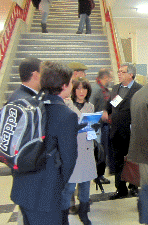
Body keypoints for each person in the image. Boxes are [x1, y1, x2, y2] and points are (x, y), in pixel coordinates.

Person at [11, 61, 78, 224]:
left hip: (22, 188)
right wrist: (57, 186)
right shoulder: (65, 115)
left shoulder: (31, 103)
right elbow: (69, 160)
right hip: (46, 193)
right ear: (64, 86)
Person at [62, 77, 97, 225]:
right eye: (78, 88)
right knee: (69, 186)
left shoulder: (91, 106)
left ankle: (84, 212)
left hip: (87, 149)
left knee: (85, 185)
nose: (81, 91)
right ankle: (63, 215)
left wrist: (94, 129)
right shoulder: (66, 104)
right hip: (71, 149)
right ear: (73, 90)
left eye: (84, 88)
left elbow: (92, 130)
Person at [106, 62, 142, 200]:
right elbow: (112, 107)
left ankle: (133, 187)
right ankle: (120, 189)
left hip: (132, 132)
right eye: (119, 71)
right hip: (116, 131)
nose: (119, 74)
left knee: (132, 160)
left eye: (122, 71)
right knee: (118, 160)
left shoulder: (139, 89)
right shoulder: (116, 89)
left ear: (131, 74)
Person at [89, 68, 113, 183]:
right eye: (109, 78)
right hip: (97, 126)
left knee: (102, 150)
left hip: (102, 125)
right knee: (99, 151)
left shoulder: (102, 89)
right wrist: (101, 114)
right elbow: (90, 107)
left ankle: (100, 175)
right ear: (105, 78)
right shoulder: (96, 90)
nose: (111, 80)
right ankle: (98, 176)